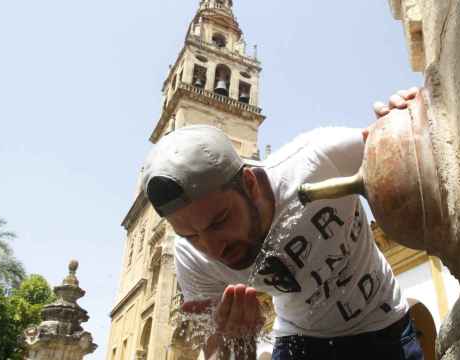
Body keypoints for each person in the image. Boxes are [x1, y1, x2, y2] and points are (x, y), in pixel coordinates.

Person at [141, 88, 423, 360]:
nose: (212, 248)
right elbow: (218, 352)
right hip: (300, 343)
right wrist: (240, 346)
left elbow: (414, 140)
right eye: (190, 235)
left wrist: (411, 112)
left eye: (220, 221)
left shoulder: (319, 158)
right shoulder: (192, 258)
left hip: (386, 327)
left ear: (249, 183)